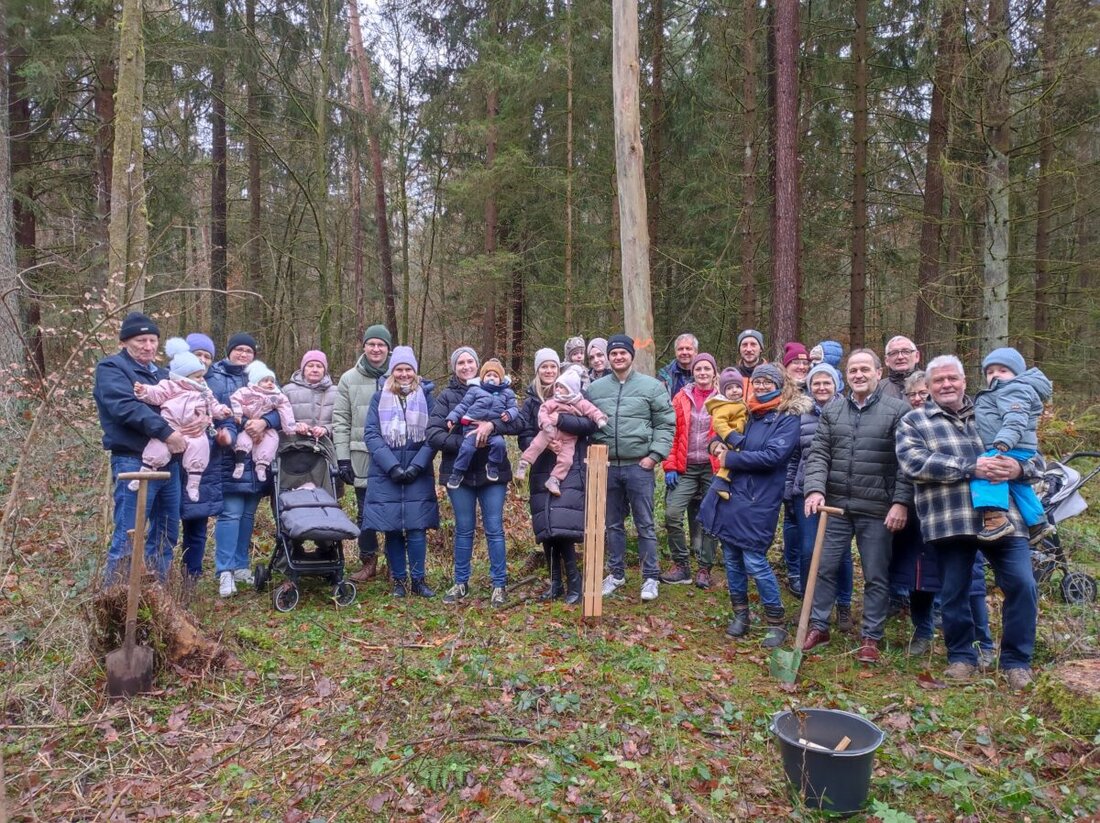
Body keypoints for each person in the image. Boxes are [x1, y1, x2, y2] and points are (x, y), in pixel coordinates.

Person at [896, 354, 1039, 690]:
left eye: (952, 379)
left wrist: (1018, 469)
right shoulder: (914, 421)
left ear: (963, 381)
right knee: (954, 592)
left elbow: (1033, 456)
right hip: (950, 519)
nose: (946, 385)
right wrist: (970, 467)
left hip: (1005, 518)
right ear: (929, 387)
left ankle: (1016, 662)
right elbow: (914, 463)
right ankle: (961, 657)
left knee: (1022, 584)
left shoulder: (992, 411)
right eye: (939, 381)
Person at [801, 349, 912, 663]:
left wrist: (901, 503)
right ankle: (819, 626)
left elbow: (906, 463)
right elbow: (819, 454)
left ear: (878, 372)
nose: (859, 375)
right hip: (836, 507)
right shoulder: (834, 411)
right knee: (824, 567)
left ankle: (870, 637)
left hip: (877, 509)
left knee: (876, 574)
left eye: (865, 369)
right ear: (846, 375)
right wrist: (814, 490)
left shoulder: (897, 410)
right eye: (853, 370)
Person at [698, 363, 810, 646]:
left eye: (767, 383)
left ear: (779, 385)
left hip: (760, 498)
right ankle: (740, 614)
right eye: (757, 382)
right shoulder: (748, 411)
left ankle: (776, 621)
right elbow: (723, 433)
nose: (760, 386)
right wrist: (715, 446)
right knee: (732, 558)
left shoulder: (787, 417)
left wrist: (730, 459)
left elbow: (773, 456)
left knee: (755, 560)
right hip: (733, 493)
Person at [428, 346, 524, 608]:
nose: (466, 366)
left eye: (470, 361)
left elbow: (518, 423)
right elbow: (434, 434)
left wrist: (492, 426)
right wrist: (467, 441)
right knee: (463, 529)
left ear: (479, 367)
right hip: (458, 473)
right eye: (460, 362)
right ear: (454, 367)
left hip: (492, 473)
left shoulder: (500, 391)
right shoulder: (447, 396)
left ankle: (499, 585)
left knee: (494, 528)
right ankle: (460, 582)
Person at [94, 312, 183, 584]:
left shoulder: (165, 374)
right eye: (140, 340)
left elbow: (184, 404)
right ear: (124, 342)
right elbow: (125, 408)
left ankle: (157, 600)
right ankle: (117, 603)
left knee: (166, 533)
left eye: (152, 340)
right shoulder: (112, 369)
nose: (148, 346)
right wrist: (167, 432)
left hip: (170, 463)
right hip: (133, 462)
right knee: (128, 534)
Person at [589, 335, 676, 603]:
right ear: (608, 357)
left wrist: (654, 456)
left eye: (622, 353)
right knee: (612, 524)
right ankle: (616, 574)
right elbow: (585, 424)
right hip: (607, 466)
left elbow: (665, 423)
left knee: (645, 523)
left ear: (631, 355)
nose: (618, 357)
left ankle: (650, 576)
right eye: (613, 353)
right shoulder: (595, 389)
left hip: (639, 466)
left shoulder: (651, 387)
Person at [517, 348, 601, 604]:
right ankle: (555, 583)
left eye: (553, 367)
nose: (549, 371)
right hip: (541, 467)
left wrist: (560, 422)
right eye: (544, 367)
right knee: (547, 528)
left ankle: (574, 584)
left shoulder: (574, 392)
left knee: (563, 526)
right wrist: (541, 442)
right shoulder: (531, 401)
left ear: (558, 370)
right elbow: (523, 436)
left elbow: (589, 425)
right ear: (537, 370)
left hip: (569, 468)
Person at [361, 346, 438, 597]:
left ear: (415, 372)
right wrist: (392, 466)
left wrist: (418, 465)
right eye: (399, 369)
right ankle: (399, 582)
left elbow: (433, 435)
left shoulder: (427, 397)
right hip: (386, 474)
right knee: (392, 529)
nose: (404, 374)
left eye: (408, 369)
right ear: (392, 371)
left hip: (418, 472)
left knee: (417, 529)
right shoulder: (378, 397)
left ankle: (418, 580)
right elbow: (371, 434)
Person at [207, 333, 279, 598]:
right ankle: (224, 570)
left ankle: (240, 566)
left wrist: (266, 422)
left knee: (248, 515)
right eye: (238, 350)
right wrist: (236, 424)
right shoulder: (213, 377)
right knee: (230, 513)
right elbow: (208, 409)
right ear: (229, 351)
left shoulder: (263, 375)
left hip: (259, 456)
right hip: (229, 454)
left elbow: (279, 407)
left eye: (248, 351)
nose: (243, 354)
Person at [786, 362, 854, 632]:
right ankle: (808, 606)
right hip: (805, 492)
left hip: (838, 492)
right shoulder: (801, 414)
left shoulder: (848, 413)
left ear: (836, 385)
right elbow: (793, 457)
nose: (821, 387)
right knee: (807, 549)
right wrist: (790, 491)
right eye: (816, 383)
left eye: (827, 382)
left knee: (841, 553)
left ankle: (844, 605)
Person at [970, 347, 1053, 543]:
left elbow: (1015, 419)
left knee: (987, 470)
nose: (995, 375)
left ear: (1017, 374)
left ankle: (995, 519)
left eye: (1002, 370)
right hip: (1014, 445)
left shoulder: (1014, 389)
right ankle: (1038, 523)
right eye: (990, 372)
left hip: (1010, 445)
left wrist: (1004, 442)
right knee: (1018, 484)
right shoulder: (1005, 390)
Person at [132, 338, 231, 501]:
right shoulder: (170, 385)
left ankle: (193, 483)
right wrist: (144, 390)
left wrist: (222, 411)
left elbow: (213, 405)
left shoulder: (204, 390)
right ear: (185, 376)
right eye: (197, 376)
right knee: (156, 449)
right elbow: (156, 394)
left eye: (201, 376)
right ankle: (142, 474)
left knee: (200, 448)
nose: (201, 379)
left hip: (195, 432)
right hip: (170, 428)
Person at [334, 324, 391, 583]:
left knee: (394, 509)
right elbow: (341, 420)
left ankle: (395, 562)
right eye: (372, 344)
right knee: (365, 511)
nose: (376, 349)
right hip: (361, 456)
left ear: (388, 349)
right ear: (364, 347)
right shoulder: (348, 379)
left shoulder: (399, 374)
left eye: (381, 345)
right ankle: (368, 562)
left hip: (392, 456)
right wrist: (343, 457)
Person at [660, 353, 721, 589]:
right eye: (698, 369)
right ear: (693, 372)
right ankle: (681, 566)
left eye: (707, 369)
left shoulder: (722, 399)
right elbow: (672, 432)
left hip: (712, 467)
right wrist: (670, 465)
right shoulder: (681, 397)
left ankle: (705, 568)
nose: (703, 373)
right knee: (672, 514)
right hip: (685, 466)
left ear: (714, 372)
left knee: (710, 517)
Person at [516, 368, 606, 495]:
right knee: (537, 444)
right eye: (556, 387)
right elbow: (543, 411)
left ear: (570, 389)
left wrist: (600, 419)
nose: (557, 390)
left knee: (566, 460)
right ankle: (524, 463)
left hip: (569, 438)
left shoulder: (579, 402)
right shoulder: (554, 400)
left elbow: (592, 411)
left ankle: (554, 479)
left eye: (561, 387)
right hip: (549, 430)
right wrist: (545, 423)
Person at [178, 332, 223, 582]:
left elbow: (225, 417)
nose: (203, 360)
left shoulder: (213, 386)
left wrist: (226, 433)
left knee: (197, 525)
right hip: (173, 463)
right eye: (198, 355)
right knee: (165, 525)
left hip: (204, 464)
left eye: (208, 356)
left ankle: (190, 578)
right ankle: (158, 580)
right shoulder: (168, 382)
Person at [444, 359, 518, 488]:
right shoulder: (475, 390)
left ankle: (493, 465)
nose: (491, 378)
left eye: (495, 376)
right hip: (471, 427)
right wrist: (452, 418)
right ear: (482, 377)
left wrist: (509, 414)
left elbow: (514, 408)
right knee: (467, 448)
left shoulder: (507, 393)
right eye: (488, 375)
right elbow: (463, 406)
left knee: (499, 444)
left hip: (494, 430)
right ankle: (457, 472)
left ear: (501, 379)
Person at [778, 341, 812, 594]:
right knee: (789, 519)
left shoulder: (817, 388)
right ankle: (791, 568)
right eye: (795, 362)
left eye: (805, 363)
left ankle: (803, 570)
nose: (801, 367)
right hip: (780, 461)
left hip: (805, 465)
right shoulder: (780, 391)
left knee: (801, 518)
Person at [228, 361, 296, 483]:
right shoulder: (247, 391)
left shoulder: (277, 395)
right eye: (265, 381)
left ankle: (262, 466)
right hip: (247, 423)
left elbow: (286, 409)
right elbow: (235, 399)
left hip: (267, 428)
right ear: (256, 382)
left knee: (271, 441)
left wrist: (290, 428)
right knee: (243, 440)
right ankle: (239, 463)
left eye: (272, 381)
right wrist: (238, 414)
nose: (270, 383)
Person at [705, 368, 748, 501]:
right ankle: (720, 483)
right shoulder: (725, 405)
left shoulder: (739, 403)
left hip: (739, 436)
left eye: (737, 387)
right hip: (731, 438)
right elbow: (718, 423)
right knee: (729, 461)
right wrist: (730, 436)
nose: (734, 390)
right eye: (729, 388)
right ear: (724, 391)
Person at [282, 350, 338, 441]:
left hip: (326, 447)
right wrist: (295, 425)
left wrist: (326, 429)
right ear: (303, 369)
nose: (315, 370)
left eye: (319, 366)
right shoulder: (287, 391)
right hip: (294, 447)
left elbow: (343, 422)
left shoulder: (337, 392)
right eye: (310, 366)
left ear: (324, 370)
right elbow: (280, 419)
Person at [880, 335, 921, 401]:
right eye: (894, 353)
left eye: (906, 351)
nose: (900, 357)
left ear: (917, 356)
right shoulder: (877, 390)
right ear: (886, 360)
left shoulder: (932, 384)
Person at [657, 333, 698, 398]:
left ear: (696, 352)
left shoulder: (704, 373)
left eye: (688, 348)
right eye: (680, 349)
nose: (684, 352)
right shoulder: (665, 375)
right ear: (675, 352)